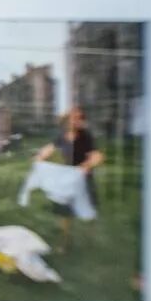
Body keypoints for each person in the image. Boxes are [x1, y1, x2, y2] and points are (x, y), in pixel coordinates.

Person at [33, 105, 104, 251]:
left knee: (89, 211)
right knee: (65, 213)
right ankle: (65, 241)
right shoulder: (62, 136)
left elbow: (98, 156)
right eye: (73, 118)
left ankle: (91, 239)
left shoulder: (85, 136)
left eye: (79, 118)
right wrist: (39, 157)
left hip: (84, 178)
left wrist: (87, 165)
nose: (76, 121)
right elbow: (49, 148)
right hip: (68, 179)